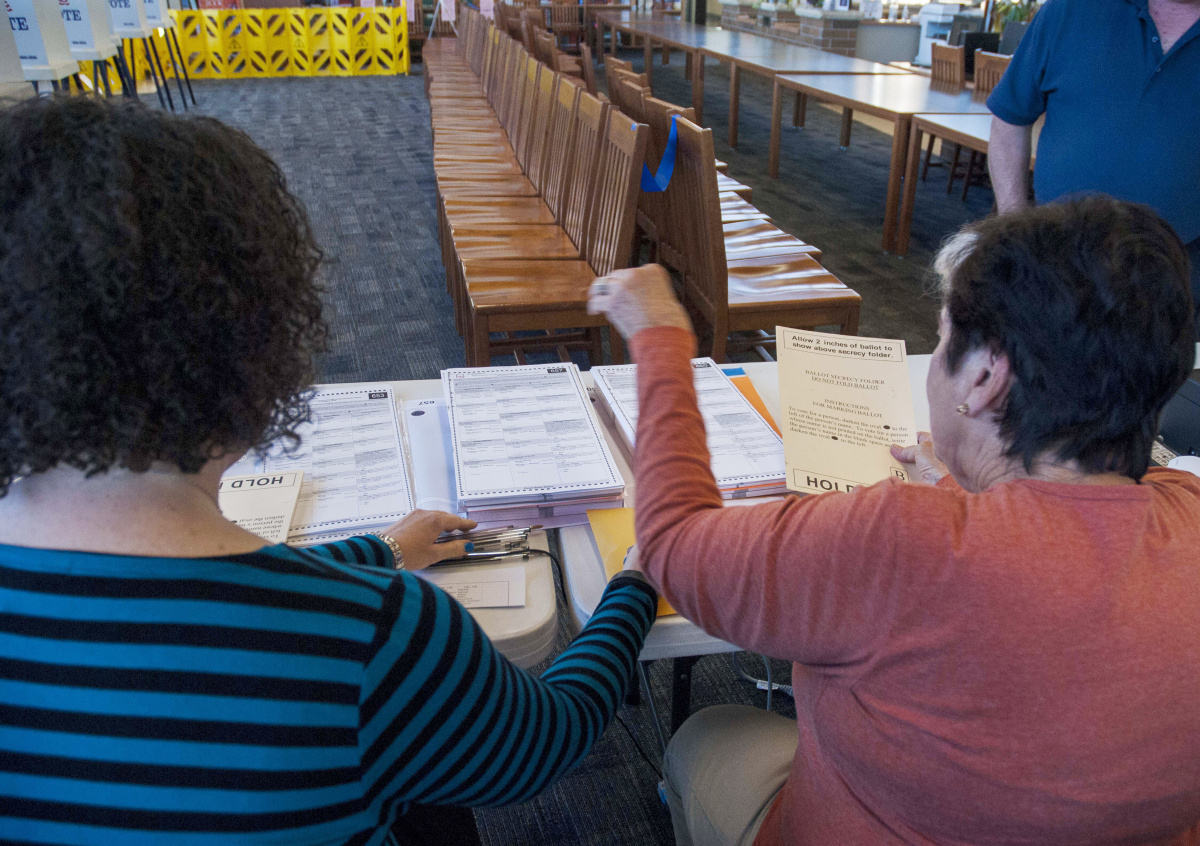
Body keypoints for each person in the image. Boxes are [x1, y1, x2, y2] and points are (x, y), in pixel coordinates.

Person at [0, 95, 657, 845]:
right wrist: (633, 587)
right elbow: (544, 742)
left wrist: (380, 550)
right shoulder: (372, 636)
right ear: (253, 336)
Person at [588, 197, 1200, 846]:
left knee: (704, 736)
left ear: (985, 377)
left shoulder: (906, 541)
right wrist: (963, 484)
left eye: (941, 338)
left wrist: (659, 336)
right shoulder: (1185, 509)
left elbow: (673, 543)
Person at [986, 0, 1200, 309]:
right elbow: (1010, 119)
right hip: (1056, 262)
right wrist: (1015, 228)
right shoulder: (1070, 9)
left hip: (1180, 275)